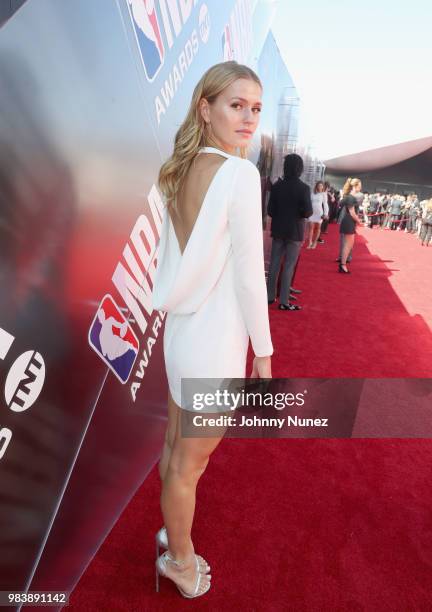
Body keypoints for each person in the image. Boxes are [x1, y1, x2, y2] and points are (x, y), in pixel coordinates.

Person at [152, 61, 273, 598]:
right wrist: (264, 355)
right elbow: (251, 278)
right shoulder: (239, 174)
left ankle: (170, 533)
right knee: (188, 465)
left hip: (181, 338)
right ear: (206, 109)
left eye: (255, 109)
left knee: (176, 449)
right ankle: (179, 559)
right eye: (236, 105)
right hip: (216, 345)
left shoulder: (182, 170)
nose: (248, 118)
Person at [266, 153, 312, 310]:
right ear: (300, 168)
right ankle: (284, 301)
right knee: (289, 266)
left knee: (274, 264)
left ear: (285, 167)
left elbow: (270, 211)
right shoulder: (304, 188)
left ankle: (269, 296)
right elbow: (308, 212)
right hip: (295, 231)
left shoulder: (277, 187)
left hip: (278, 230)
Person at [338, 177, 362, 273]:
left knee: (348, 245)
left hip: (348, 221)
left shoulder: (348, 196)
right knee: (348, 245)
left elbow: (340, 203)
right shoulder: (351, 197)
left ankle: (342, 264)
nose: (360, 188)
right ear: (355, 186)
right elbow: (352, 213)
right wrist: (359, 221)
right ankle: (343, 265)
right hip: (349, 221)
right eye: (360, 186)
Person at [307, 180, 325, 248]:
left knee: (318, 228)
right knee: (311, 227)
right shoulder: (312, 193)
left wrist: (326, 213)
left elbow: (325, 204)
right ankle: (310, 242)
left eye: (321, 185)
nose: (320, 186)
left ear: (323, 187)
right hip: (312, 212)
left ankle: (315, 243)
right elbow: (309, 203)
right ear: (316, 186)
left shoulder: (323, 194)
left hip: (319, 213)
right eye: (319, 185)